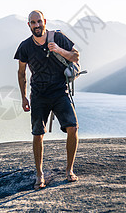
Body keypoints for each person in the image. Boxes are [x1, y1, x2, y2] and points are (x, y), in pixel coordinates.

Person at [14, 10, 80, 189]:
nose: (36, 25)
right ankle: (39, 174)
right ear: (29, 25)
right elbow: (21, 73)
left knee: (72, 127)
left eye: (39, 21)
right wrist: (23, 97)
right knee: (37, 134)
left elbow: (76, 56)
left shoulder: (57, 37)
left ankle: (69, 170)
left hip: (59, 91)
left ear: (44, 21)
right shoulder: (25, 46)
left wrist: (58, 50)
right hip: (39, 95)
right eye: (33, 23)